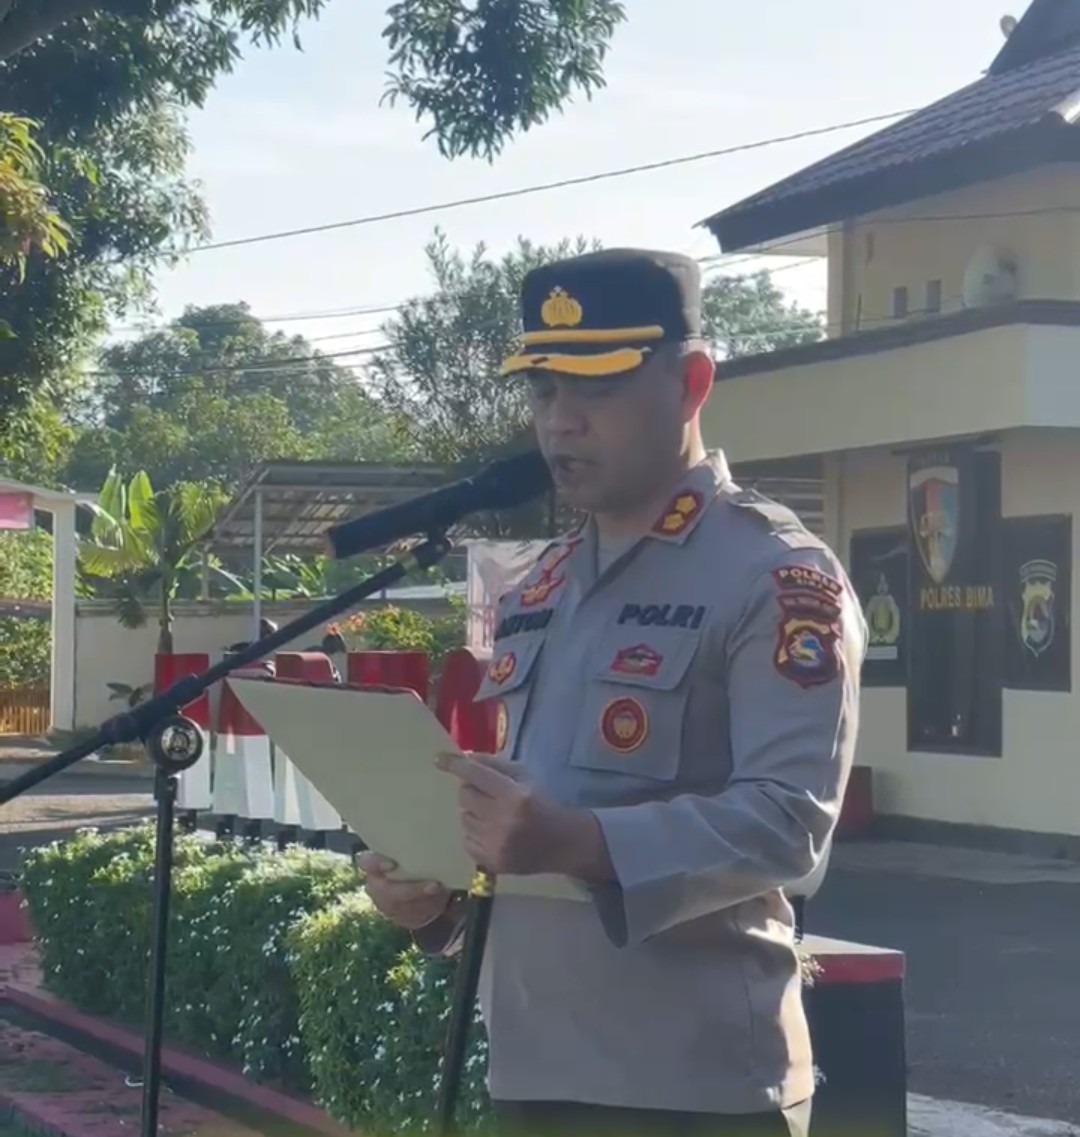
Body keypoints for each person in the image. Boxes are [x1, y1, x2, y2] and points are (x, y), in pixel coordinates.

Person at [359, 248, 867, 1137]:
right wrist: (439, 898)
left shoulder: (775, 574)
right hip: (532, 1066)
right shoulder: (541, 584)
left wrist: (579, 840)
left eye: (596, 387)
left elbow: (789, 825)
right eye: (544, 389)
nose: (561, 421)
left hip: (697, 1091)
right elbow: (531, 824)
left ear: (692, 383)